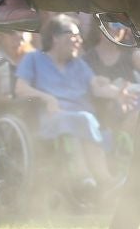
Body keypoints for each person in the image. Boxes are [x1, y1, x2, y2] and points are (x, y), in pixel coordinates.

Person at [14, 16, 117, 194]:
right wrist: (48, 98)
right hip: (53, 118)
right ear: (56, 37)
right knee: (82, 120)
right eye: (74, 35)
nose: (79, 41)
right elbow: (20, 89)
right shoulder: (33, 59)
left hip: (83, 120)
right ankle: (95, 178)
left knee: (85, 121)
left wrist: (118, 93)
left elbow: (97, 87)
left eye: (79, 36)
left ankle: (94, 180)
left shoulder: (79, 65)